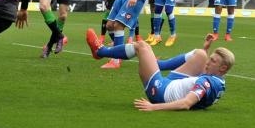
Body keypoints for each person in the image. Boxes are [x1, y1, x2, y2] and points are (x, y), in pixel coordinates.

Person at [86, 31, 234, 111]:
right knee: (201, 54)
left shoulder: (206, 82)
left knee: (142, 46)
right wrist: (206, 49)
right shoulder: (219, 81)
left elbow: (186, 104)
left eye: (213, 61)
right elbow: (203, 84)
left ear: (222, 68)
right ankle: (158, 64)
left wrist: (153, 107)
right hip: (174, 84)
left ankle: (101, 51)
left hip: (160, 91)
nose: (208, 62)